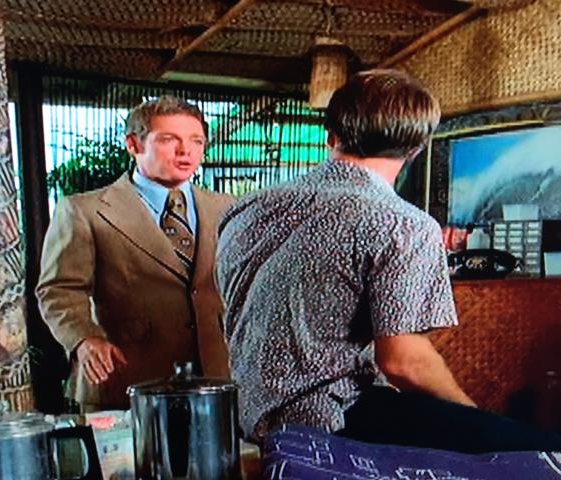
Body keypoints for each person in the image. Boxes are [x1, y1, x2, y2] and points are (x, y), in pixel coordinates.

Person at [216, 69, 561, 453]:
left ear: (331, 136)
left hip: (247, 415)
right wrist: (473, 418)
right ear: (417, 147)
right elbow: (404, 362)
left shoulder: (245, 209)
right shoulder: (402, 223)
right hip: (330, 416)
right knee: (537, 448)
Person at [37, 96, 233, 411]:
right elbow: (58, 289)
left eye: (196, 141)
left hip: (216, 380)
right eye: (168, 139)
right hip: (125, 378)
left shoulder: (226, 208)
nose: (185, 150)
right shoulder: (84, 212)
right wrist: (84, 339)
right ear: (133, 144)